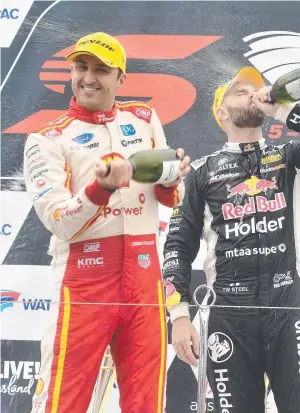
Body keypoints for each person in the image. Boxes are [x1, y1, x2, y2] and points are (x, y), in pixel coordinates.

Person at [162, 66, 300, 413]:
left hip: (288, 306)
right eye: (240, 91)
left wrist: (282, 110)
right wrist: (178, 315)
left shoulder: (289, 159)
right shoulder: (201, 174)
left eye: (255, 89)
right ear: (222, 113)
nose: (251, 94)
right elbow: (177, 245)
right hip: (229, 315)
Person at [23, 32, 190, 413]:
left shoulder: (144, 119)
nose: (89, 78)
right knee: (62, 401)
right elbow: (57, 220)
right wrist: (100, 188)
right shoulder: (48, 138)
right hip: (84, 282)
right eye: (81, 67)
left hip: (144, 278)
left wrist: (172, 177)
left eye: (102, 69)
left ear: (121, 79)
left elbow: (170, 198)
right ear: (71, 72)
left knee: (147, 402)